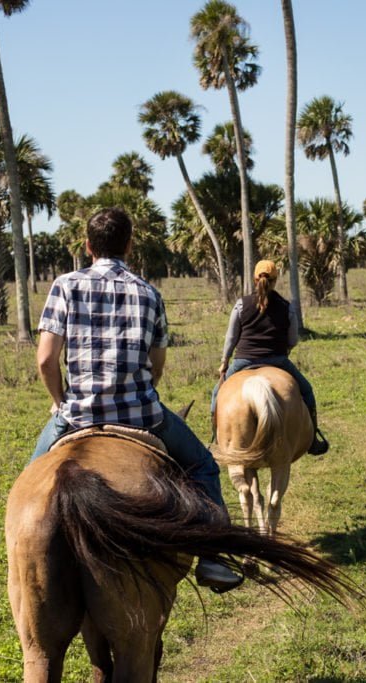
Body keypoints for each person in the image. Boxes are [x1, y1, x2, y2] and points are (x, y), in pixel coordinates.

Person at [32, 207, 243, 593]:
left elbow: (46, 359)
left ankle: (24, 564)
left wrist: (61, 401)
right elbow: (157, 364)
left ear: (87, 245)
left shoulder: (65, 284)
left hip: (76, 415)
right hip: (142, 416)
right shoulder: (149, 293)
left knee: (29, 484)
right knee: (203, 466)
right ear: (129, 244)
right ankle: (214, 558)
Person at [211, 260, 329, 455]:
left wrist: (225, 361)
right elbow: (293, 339)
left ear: (255, 279)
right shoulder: (286, 306)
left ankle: (217, 437)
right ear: (275, 281)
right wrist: (285, 347)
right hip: (278, 361)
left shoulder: (241, 305)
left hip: (243, 362)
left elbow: (231, 337)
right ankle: (313, 438)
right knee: (307, 391)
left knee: (217, 393)